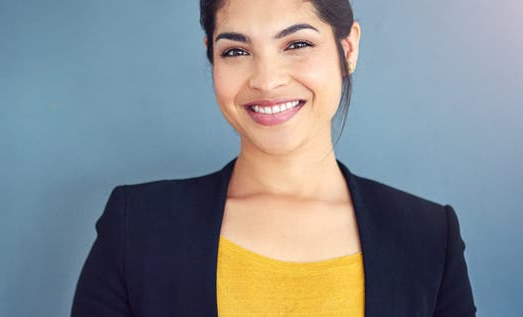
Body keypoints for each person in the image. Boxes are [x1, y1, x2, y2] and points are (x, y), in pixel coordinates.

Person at [71, 0, 477, 316]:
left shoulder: (429, 238)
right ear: (210, 55)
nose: (266, 80)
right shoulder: (136, 227)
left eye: (297, 44)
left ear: (348, 48)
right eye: (235, 51)